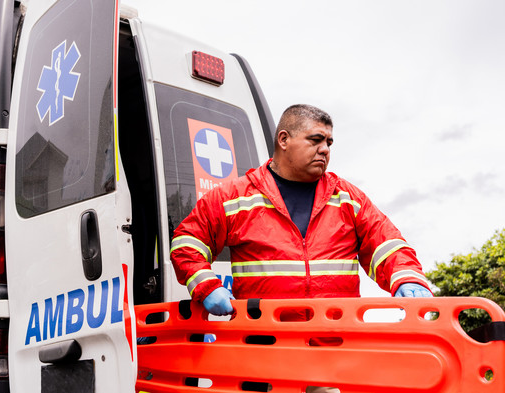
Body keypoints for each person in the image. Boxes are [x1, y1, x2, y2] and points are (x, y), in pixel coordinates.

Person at [170, 104, 432, 393]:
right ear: (284, 140)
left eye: (329, 142)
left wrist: (407, 277)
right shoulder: (234, 197)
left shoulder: (347, 198)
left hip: (331, 355)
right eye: (316, 140)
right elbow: (187, 242)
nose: (325, 150)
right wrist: (206, 285)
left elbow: (387, 243)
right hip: (264, 356)